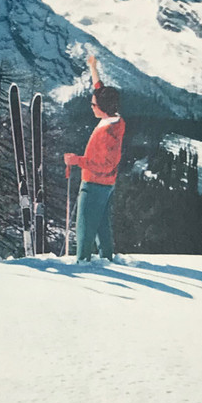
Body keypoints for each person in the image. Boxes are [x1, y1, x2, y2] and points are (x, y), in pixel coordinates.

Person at [64, 55, 125, 262]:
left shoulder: (107, 132)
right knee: (100, 223)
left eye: (93, 104)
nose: (91, 106)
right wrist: (93, 67)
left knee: (84, 224)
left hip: (94, 183)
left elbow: (107, 164)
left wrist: (77, 160)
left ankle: (82, 260)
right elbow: (100, 88)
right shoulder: (115, 119)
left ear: (103, 107)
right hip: (107, 185)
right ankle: (107, 258)